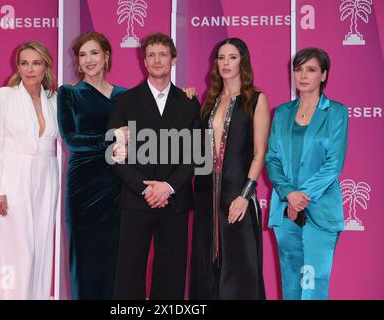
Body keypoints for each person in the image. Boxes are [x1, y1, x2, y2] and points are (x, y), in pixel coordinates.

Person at [108, 32, 201, 300]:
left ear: (174, 59)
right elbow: (114, 154)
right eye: (151, 55)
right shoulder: (125, 102)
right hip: (136, 200)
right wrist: (145, 188)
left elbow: (197, 153)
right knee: (129, 272)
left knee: (171, 273)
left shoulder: (190, 102)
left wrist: (169, 187)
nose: (157, 60)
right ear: (144, 61)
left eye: (163, 54)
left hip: (176, 200)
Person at [190, 38, 269, 300]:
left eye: (232, 57)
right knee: (207, 266)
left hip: (236, 197)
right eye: (221, 57)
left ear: (242, 61)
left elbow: (259, 154)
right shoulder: (208, 101)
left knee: (240, 267)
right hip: (205, 197)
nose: (225, 63)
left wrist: (245, 195)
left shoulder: (256, 99)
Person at [266, 47, 348, 300]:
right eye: (298, 69)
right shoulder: (281, 113)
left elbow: (334, 163)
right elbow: (272, 159)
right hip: (286, 210)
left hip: (320, 210)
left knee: (313, 284)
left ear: (323, 75)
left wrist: (302, 197)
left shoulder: (336, 112)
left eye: (310, 69)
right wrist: (290, 194)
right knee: (291, 284)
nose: (303, 75)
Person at [0, 41, 59, 300]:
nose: (29, 69)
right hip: (13, 179)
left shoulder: (54, 99)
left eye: (36, 63)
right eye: (24, 63)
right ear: (17, 66)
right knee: (17, 249)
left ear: (46, 66)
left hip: (47, 178)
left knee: (41, 247)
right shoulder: (5, 95)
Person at [57, 32, 128, 300]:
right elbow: (71, 139)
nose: (88, 60)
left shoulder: (125, 95)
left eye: (94, 53)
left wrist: (187, 94)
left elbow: (144, 130)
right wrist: (112, 138)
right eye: (83, 55)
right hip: (84, 185)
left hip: (117, 183)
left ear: (107, 56)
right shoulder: (70, 94)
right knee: (85, 256)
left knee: (114, 257)